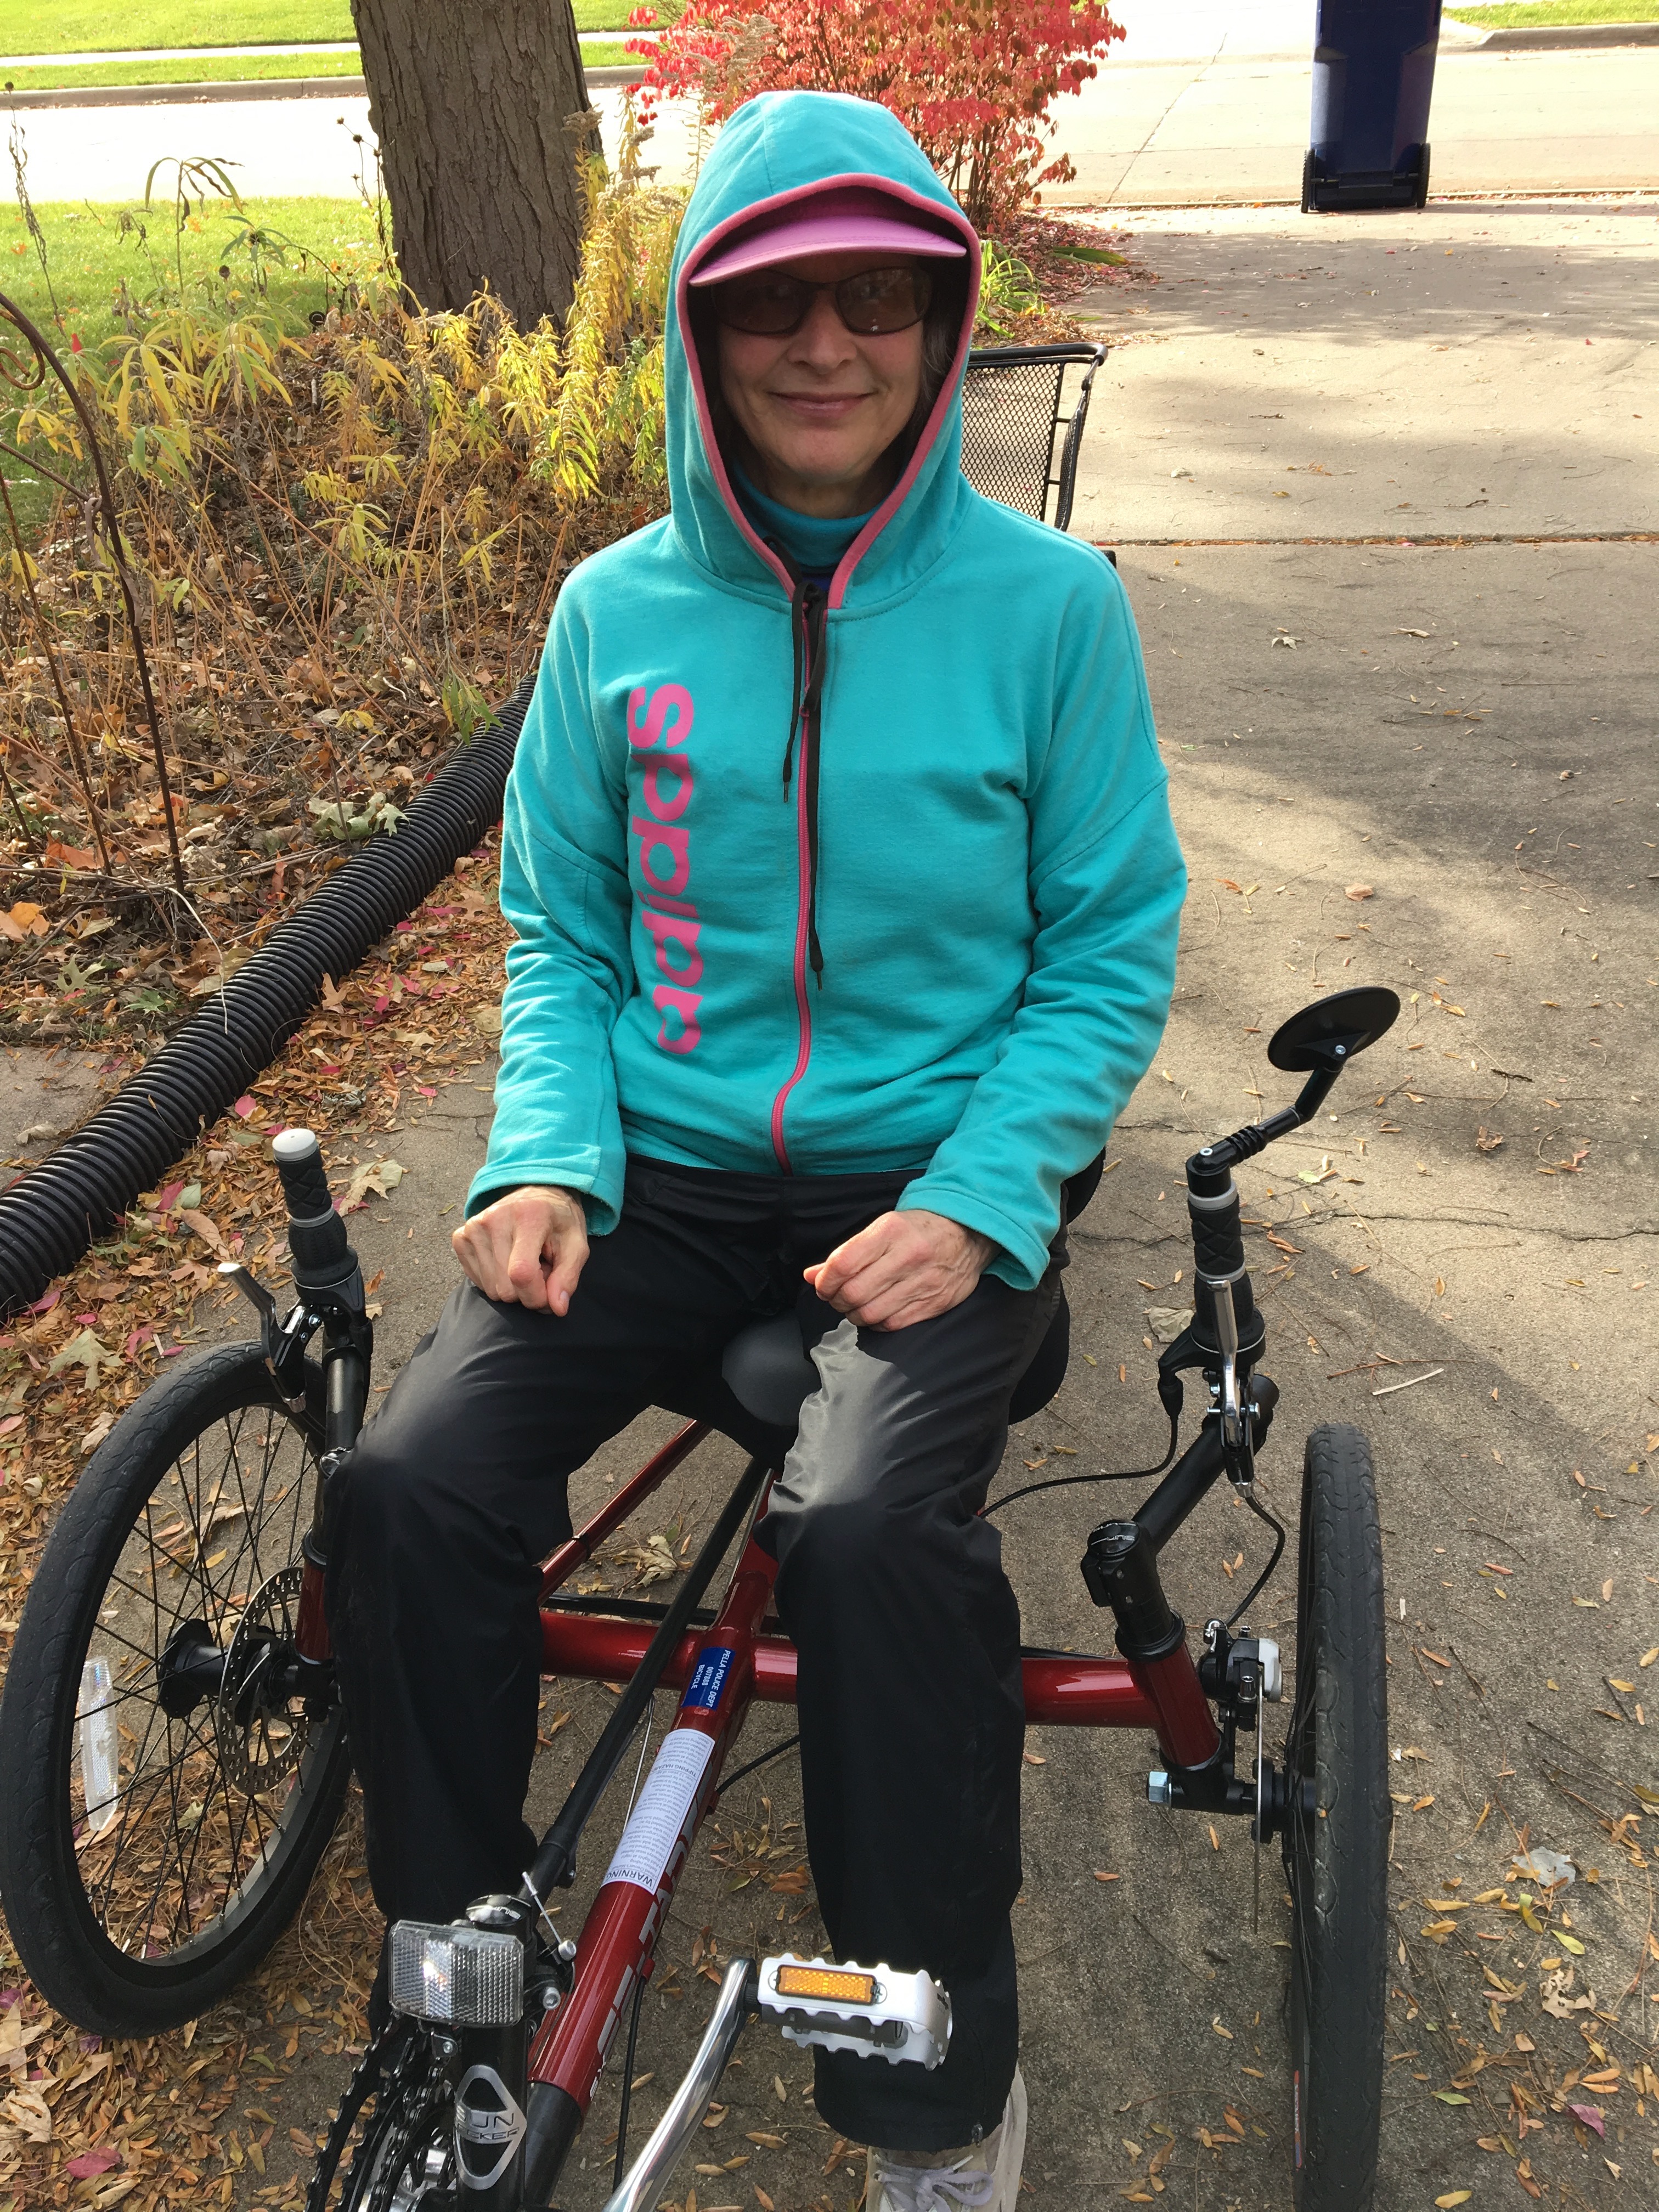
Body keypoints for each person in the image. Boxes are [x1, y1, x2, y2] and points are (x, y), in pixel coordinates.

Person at [328, 87, 1184, 2212]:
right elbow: (561, 929)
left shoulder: (1051, 611)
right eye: (773, 303)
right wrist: (542, 1157)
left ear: (939, 321)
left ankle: (932, 2082)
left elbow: (1105, 949)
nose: (826, 344)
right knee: (409, 1484)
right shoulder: (612, 615)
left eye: (875, 298)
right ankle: (457, 1974)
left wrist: (980, 1201)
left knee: (878, 1536)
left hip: (926, 1185)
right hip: (662, 1175)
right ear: (700, 332)